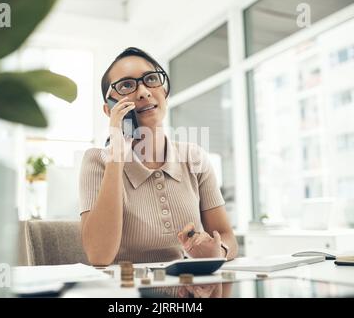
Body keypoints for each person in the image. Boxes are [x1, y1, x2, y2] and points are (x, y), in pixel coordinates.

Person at [79, 47, 238, 265]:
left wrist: (218, 251)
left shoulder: (193, 157)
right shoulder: (96, 161)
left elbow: (227, 236)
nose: (144, 92)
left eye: (151, 79)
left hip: (185, 287)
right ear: (109, 109)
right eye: (126, 85)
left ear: (164, 93)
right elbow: (99, 256)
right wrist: (116, 157)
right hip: (122, 291)